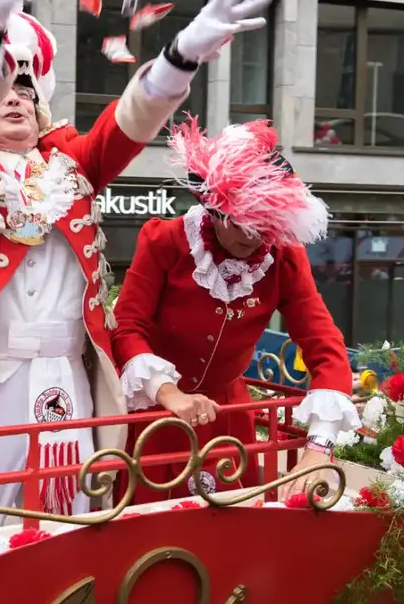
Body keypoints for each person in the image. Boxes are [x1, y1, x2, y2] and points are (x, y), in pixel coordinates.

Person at [0, 0, 271, 534]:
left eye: (24, 85)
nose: (13, 96)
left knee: (70, 516)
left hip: (69, 377)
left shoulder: (75, 165)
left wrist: (182, 55)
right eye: (0, 88)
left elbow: (126, 124)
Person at [110, 117, 361, 504]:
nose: (254, 236)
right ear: (213, 209)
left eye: (267, 223)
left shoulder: (284, 258)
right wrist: (169, 394)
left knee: (231, 534)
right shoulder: (165, 241)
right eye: (244, 222)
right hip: (154, 415)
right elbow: (127, 326)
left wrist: (319, 448)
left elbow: (323, 342)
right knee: (147, 532)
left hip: (229, 422)